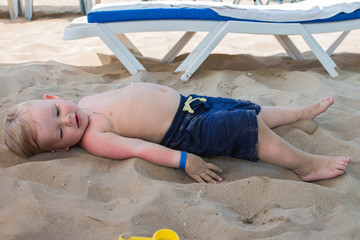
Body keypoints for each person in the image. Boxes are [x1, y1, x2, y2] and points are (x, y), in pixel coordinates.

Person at [3, 82, 351, 183]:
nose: (68, 122)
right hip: (186, 131)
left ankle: (298, 112)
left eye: (57, 112)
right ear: (60, 150)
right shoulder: (95, 138)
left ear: (53, 98)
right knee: (242, 126)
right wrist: (185, 160)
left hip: (190, 103)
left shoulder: (85, 99)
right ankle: (306, 166)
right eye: (61, 134)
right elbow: (139, 149)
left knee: (244, 108)